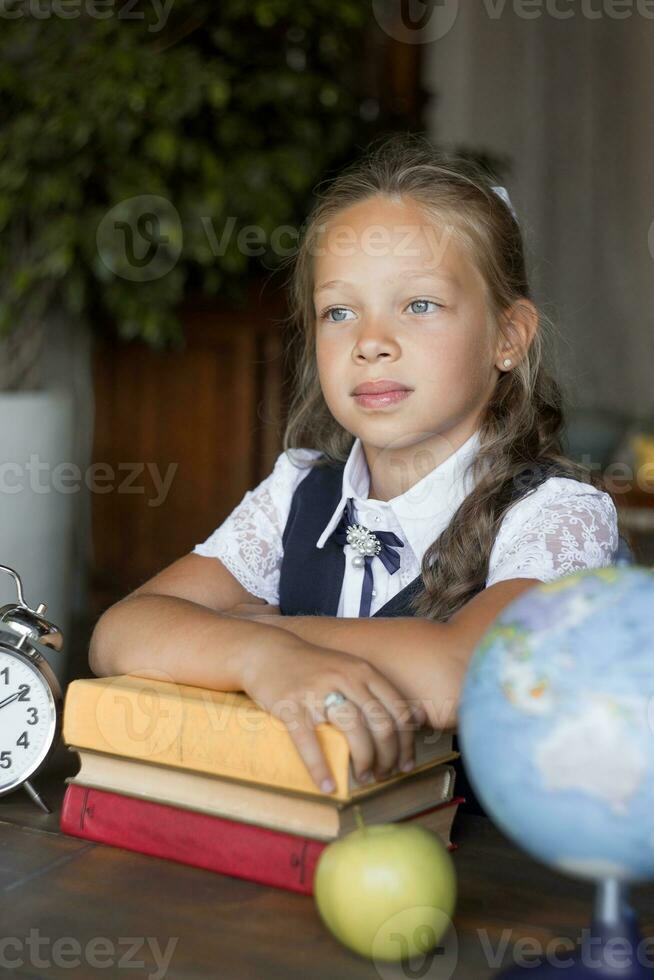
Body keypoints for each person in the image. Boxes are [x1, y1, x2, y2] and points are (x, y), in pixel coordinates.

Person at [89, 133, 628, 804]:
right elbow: (121, 632)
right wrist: (264, 659)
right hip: (300, 845)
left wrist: (253, 630)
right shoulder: (299, 490)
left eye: (419, 305)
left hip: (488, 886)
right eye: (339, 312)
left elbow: (457, 675)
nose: (371, 342)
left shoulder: (557, 514)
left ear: (507, 337)